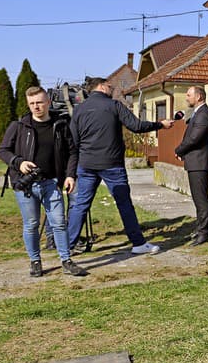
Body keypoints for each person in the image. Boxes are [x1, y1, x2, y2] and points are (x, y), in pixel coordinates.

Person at [66, 77, 173, 255]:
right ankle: (138, 243)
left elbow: (73, 141)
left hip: (86, 164)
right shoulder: (114, 105)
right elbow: (137, 126)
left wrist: (74, 167)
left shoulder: (79, 110)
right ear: (101, 87)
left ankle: (68, 246)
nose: (112, 89)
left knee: (80, 205)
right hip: (112, 164)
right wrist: (160, 124)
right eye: (110, 86)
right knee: (124, 204)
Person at [0, 86, 88, 277]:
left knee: (59, 223)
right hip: (26, 185)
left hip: (51, 183)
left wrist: (70, 175)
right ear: (28, 104)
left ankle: (66, 261)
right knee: (31, 224)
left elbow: (73, 152)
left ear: (48, 102)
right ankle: (35, 261)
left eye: (39, 102)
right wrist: (18, 162)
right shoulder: (19, 126)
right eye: (32, 103)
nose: (36, 107)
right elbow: (3, 151)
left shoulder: (61, 125)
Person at [175, 86, 208, 246]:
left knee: (201, 198)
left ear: (198, 97)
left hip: (200, 161)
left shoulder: (204, 114)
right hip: (195, 160)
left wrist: (179, 149)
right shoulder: (198, 113)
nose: (186, 97)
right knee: (198, 198)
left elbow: (194, 138)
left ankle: (204, 232)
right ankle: (201, 229)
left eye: (189, 94)